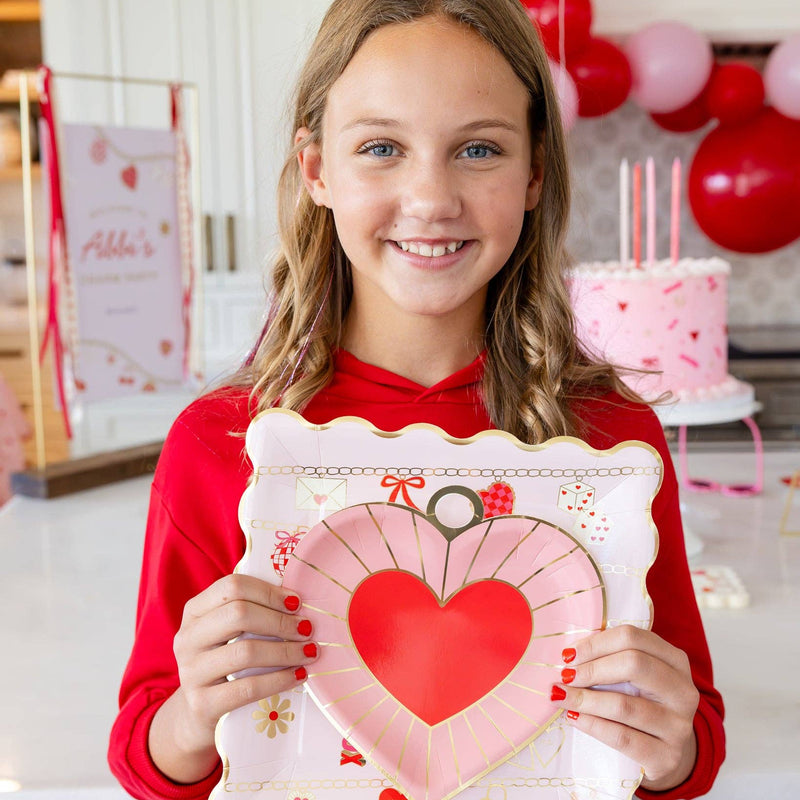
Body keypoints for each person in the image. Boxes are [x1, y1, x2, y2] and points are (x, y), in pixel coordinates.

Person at [108, 1, 724, 798]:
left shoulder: (608, 443)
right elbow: (146, 755)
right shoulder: (223, 443)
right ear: (317, 170)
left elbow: (690, 747)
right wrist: (193, 714)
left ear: (535, 172)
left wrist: (673, 746)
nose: (431, 199)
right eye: (381, 148)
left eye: (478, 149)